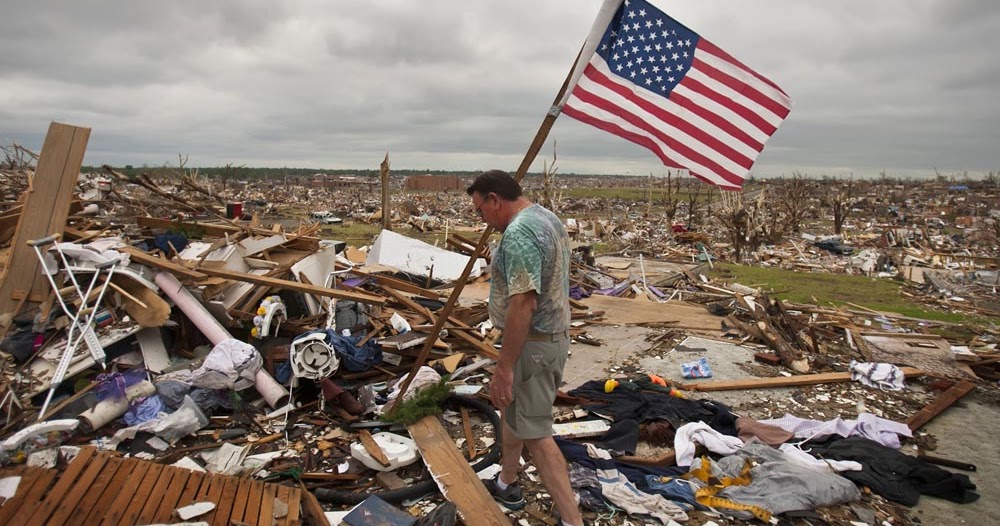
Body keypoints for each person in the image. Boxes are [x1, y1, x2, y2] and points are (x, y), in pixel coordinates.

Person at [467, 170, 585, 526]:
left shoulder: (519, 233)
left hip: (533, 345)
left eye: (480, 209)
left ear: (494, 200)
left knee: (536, 434)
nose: (481, 218)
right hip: (550, 337)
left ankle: (572, 520)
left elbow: (524, 303)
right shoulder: (545, 217)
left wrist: (504, 367)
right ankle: (507, 482)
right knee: (512, 409)